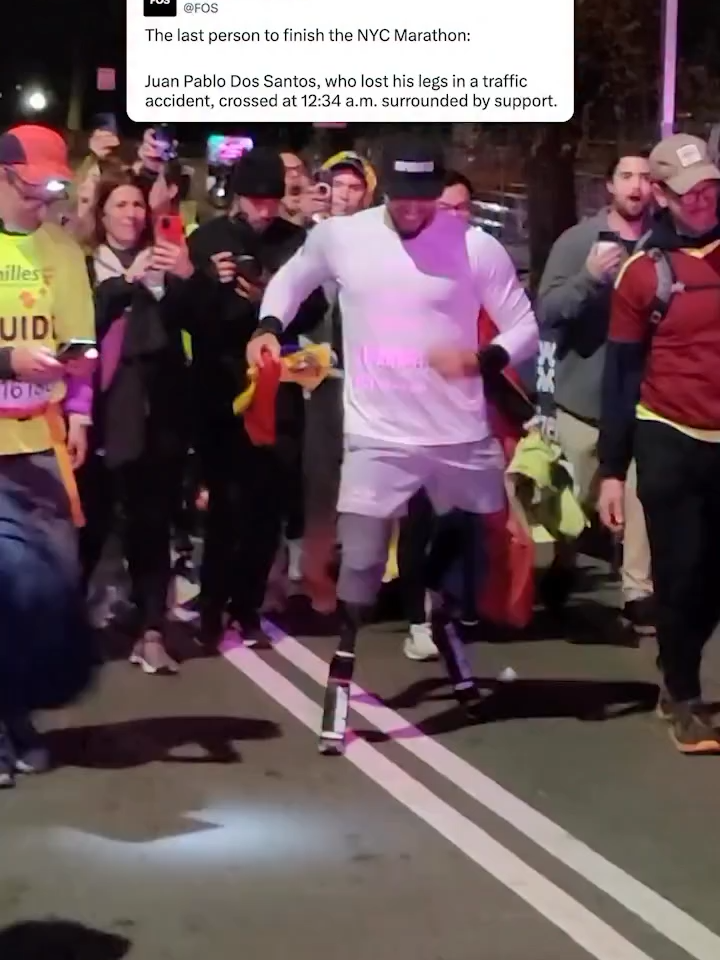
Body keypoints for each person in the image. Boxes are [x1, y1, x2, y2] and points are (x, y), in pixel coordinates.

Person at [249, 136, 538, 753]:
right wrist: (269, 329)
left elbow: (525, 327)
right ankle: (345, 665)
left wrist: (483, 357)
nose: (413, 210)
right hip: (378, 432)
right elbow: (292, 282)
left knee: (475, 544)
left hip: (457, 433)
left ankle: (442, 616)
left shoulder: (473, 245)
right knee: (358, 560)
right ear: (386, 190)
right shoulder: (343, 237)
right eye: (403, 198)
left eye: (424, 198)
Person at [597, 133, 720, 754]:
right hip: (667, 434)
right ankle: (684, 695)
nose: (701, 200)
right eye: (689, 191)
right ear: (663, 196)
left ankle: (678, 672)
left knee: (712, 581)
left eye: (710, 188)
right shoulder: (643, 274)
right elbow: (621, 376)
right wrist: (612, 470)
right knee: (680, 572)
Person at [186, 147, 326, 648]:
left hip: (281, 386)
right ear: (237, 196)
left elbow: (312, 309)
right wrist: (214, 285)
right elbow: (191, 316)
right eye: (255, 201)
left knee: (268, 505)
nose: (264, 211)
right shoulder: (210, 239)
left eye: (273, 200)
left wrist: (271, 300)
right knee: (226, 503)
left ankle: (247, 605)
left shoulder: (297, 242)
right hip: (223, 387)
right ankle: (210, 604)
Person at [0, 124, 96, 778]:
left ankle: (16, 711)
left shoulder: (63, 251)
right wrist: (8, 357)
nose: (45, 198)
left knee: (48, 593)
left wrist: (80, 402)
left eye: (52, 185)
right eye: (35, 185)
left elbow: (84, 347)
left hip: (42, 445)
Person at [77, 170, 194, 674]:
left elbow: (196, 322)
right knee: (92, 525)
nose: (131, 214)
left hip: (159, 411)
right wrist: (127, 283)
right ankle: (70, 629)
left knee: (153, 524)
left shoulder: (167, 262)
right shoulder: (83, 266)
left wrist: (180, 282)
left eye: (137, 206)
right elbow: (87, 318)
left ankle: (150, 630)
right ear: (101, 215)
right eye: (120, 205)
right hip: (100, 410)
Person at [537, 153, 654, 631]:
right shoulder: (578, 241)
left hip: (645, 399)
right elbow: (546, 311)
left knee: (640, 496)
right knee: (580, 505)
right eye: (627, 176)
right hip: (583, 400)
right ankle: (564, 565)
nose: (637, 186)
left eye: (646, 178)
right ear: (609, 186)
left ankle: (637, 590)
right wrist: (589, 278)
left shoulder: (663, 243)